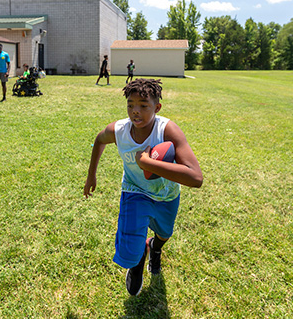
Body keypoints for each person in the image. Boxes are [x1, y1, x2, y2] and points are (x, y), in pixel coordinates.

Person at [84, 78, 203, 296]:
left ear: (157, 107)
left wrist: (148, 163)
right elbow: (99, 140)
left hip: (165, 195)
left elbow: (196, 178)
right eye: (130, 105)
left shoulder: (167, 130)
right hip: (134, 190)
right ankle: (137, 262)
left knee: (165, 233)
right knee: (130, 243)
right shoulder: (119, 130)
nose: (135, 111)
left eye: (143, 105)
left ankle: (154, 248)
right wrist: (91, 175)